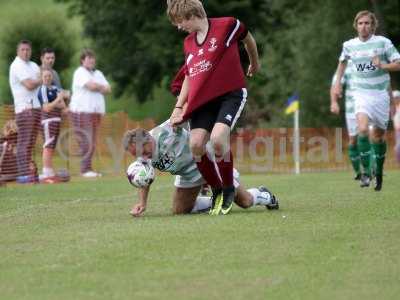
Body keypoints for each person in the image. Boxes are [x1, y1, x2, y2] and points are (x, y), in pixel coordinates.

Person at [167, 0, 260, 215]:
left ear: (190, 15)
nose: (180, 27)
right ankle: (216, 188)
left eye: (180, 22)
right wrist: (178, 107)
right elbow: (189, 76)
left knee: (218, 139)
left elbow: (248, 38)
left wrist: (254, 62)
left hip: (230, 95)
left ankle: (228, 187)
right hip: (203, 101)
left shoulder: (227, 25)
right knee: (196, 145)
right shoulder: (189, 43)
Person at [122, 121, 279, 217]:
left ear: (148, 138)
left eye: (142, 151)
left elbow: (189, 112)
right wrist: (142, 203)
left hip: (208, 162)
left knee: (245, 202)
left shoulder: (168, 129)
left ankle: (264, 195)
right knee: (179, 210)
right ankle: (217, 201)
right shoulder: (143, 156)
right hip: (188, 175)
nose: (142, 156)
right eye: (137, 154)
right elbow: (146, 179)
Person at [333, 10, 400, 191]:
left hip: (380, 95)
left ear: (373, 25)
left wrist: (383, 65)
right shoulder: (349, 45)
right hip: (361, 94)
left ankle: (378, 171)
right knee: (362, 129)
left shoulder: (383, 43)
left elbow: (398, 63)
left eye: (367, 23)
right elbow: (342, 64)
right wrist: (337, 84)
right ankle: (365, 172)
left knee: (378, 136)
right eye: (361, 23)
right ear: (356, 25)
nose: (364, 26)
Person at [69, 48, 111, 178]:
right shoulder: (79, 72)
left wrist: (97, 86)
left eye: (93, 58)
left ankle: (88, 169)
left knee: (91, 141)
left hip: (95, 113)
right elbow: (91, 87)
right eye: (88, 58)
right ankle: (85, 169)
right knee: (85, 140)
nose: (91, 60)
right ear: (82, 60)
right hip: (82, 112)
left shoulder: (98, 73)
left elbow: (108, 89)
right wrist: (100, 86)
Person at [9, 40, 42, 183]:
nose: (26, 52)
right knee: (24, 142)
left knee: (31, 142)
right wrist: (40, 80)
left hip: (36, 108)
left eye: (28, 49)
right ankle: (23, 174)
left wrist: (39, 80)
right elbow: (29, 85)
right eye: (22, 49)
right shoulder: (16, 65)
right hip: (24, 109)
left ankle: (29, 172)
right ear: (18, 51)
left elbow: (41, 82)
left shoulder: (34, 65)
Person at [330, 61, 361, 180]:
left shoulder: (372, 63)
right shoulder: (347, 67)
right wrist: (334, 102)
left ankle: (372, 169)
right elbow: (335, 85)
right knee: (353, 140)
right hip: (351, 110)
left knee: (371, 136)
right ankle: (358, 171)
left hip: (369, 107)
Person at [37, 68, 69, 182]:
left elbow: (62, 106)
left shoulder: (55, 88)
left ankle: (50, 171)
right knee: (48, 145)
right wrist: (58, 99)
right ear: (41, 78)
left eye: (49, 76)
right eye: (45, 76)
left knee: (52, 146)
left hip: (57, 120)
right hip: (48, 121)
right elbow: (46, 108)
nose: (47, 78)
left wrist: (60, 100)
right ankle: (46, 172)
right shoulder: (42, 89)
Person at [393, 90, 400, 163]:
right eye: (394, 98)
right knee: (397, 148)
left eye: (397, 98)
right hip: (397, 132)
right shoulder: (394, 108)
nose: (395, 99)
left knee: (398, 148)